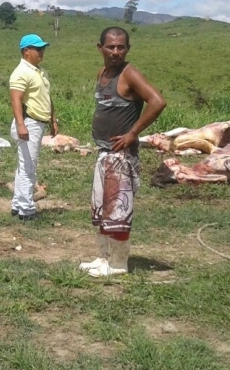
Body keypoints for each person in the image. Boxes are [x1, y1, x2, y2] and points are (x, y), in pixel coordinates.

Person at [80, 27, 166, 278]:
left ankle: (118, 264)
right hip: (104, 153)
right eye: (111, 46)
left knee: (118, 210)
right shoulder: (103, 73)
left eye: (121, 47)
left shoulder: (130, 74)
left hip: (121, 157)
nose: (116, 51)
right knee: (102, 209)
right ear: (100, 48)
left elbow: (157, 101)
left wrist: (132, 133)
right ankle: (103, 257)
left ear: (128, 49)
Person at [9, 34, 57, 221]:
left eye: (42, 48)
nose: (41, 52)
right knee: (28, 167)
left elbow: (46, 97)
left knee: (25, 165)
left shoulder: (39, 71)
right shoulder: (21, 72)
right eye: (37, 49)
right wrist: (21, 125)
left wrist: (53, 119)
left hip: (38, 122)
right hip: (29, 122)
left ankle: (18, 204)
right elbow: (16, 99)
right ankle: (26, 209)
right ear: (26, 51)